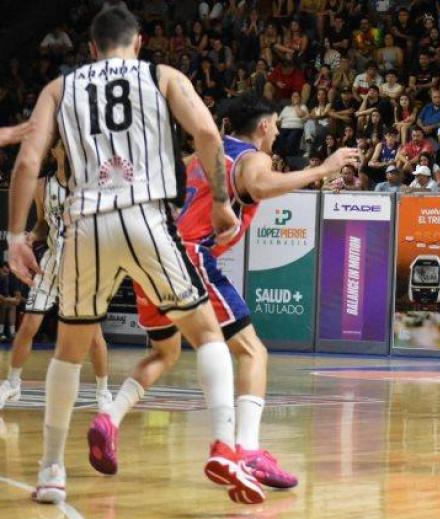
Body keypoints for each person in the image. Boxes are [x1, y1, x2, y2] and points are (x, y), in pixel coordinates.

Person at [8, 5, 261, 505]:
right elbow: (208, 135)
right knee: (207, 333)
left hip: (86, 223)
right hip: (146, 216)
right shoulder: (162, 75)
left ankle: (51, 470)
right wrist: (219, 201)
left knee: (69, 350)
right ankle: (225, 446)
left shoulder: (59, 88)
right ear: (139, 42)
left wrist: (15, 236)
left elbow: (27, 160)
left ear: (93, 48)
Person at [95, 94, 358, 487]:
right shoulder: (252, 157)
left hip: (150, 257)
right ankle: (247, 450)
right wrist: (324, 168)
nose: (275, 136)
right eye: (274, 127)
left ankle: (108, 420)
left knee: (164, 351)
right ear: (265, 126)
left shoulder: (198, 157)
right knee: (252, 351)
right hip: (189, 258)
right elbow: (260, 184)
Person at [0, 142, 111, 411]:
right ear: (55, 152)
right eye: (65, 145)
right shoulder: (42, 186)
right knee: (28, 325)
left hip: (81, 265)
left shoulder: (89, 184)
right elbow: (42, 223)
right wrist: (32, 235)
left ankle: (103, 391)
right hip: (50, 262)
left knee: (94, 335)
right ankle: (12, 383)